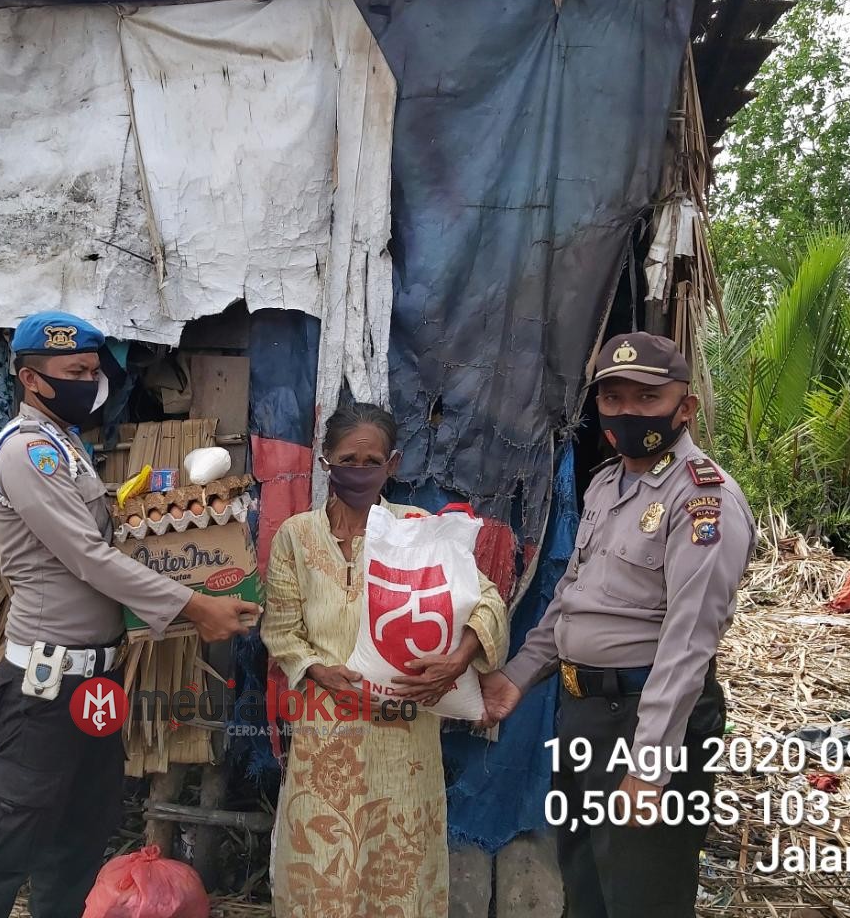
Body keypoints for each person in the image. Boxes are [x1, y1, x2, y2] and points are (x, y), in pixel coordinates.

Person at [0, 311, 260, 918]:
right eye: (75, 371)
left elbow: (107, 543)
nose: (91, 380)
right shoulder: (29, 452)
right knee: (3, 842)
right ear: (33, 380)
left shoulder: (68, 447)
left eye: (92, 368)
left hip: (98, 681)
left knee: (80, 838)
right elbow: (87, 557)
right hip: (46, 686)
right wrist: (193, 605)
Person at [478, 331, 755, 918]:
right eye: (613, 398)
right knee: (586, 890)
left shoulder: (703, 500)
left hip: (647, 722)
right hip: (583, 715)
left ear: (685, 407)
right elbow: (573, 597)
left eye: (646, 399)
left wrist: (650, 767)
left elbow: (687, 645)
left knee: (642, 897)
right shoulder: (607, 484)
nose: (627, 413)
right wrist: (520, 675)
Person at [261, 401, 509, 918]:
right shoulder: (296, 538)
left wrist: (460, 658)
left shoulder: (417, 530)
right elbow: (282, 631)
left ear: (392, 465)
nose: (359, 471)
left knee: (401, 875)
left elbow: (486, 600)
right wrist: (318, 671)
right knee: (322, 874)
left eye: (371, 461)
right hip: (325, 741)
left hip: (405, 743)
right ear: (325, 461)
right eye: (347, 460)